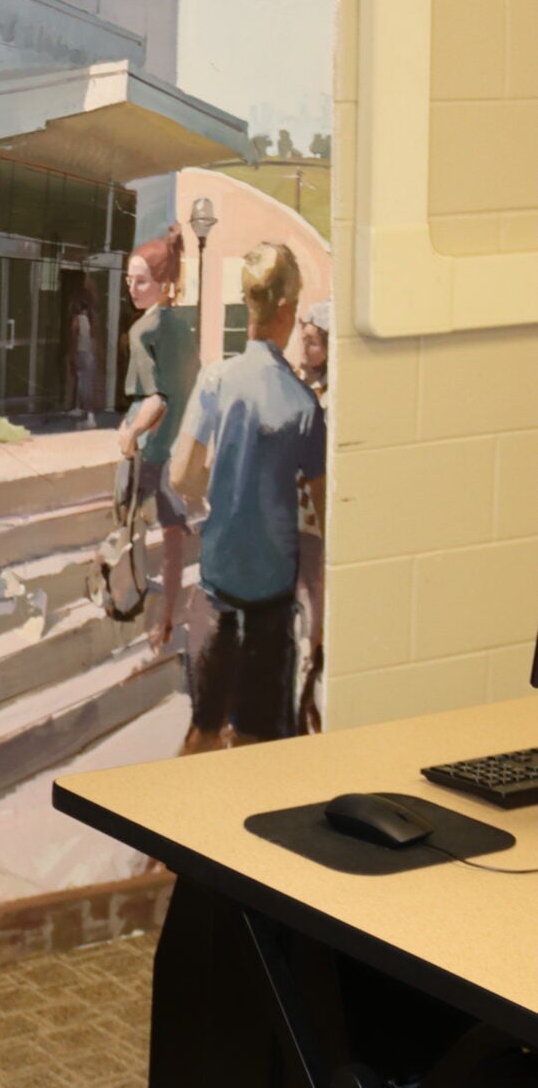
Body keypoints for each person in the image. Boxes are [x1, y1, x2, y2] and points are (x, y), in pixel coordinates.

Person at [171, 242, 326, 752]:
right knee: (260, 745)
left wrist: (221, 485)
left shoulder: (217, 379)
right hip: (272, 603)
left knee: (204, 732)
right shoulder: (303, 403)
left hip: (217, 590)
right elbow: (320, 518)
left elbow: (180, 476)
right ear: (286, 309)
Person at [118, 225, 199, 653]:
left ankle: (141, 614)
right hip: (180, 448)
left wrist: (131, 430)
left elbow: (157, 397)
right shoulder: (182, 327)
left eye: (141, 280)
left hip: (153, 449)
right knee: (171, 541)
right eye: (128, 280)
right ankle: (167, 619)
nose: (132, 288)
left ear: (164, 285)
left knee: (133, 529)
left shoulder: (142, 330)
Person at [64, 286, 100, 423]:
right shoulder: (90, 319)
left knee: (84, 383)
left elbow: (74, 338)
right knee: (84, 382)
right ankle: (80, 408)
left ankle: (90, 415)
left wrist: (72, 355)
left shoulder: (77, 319)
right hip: (90, 353)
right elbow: (94, 338)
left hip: (81, 353)